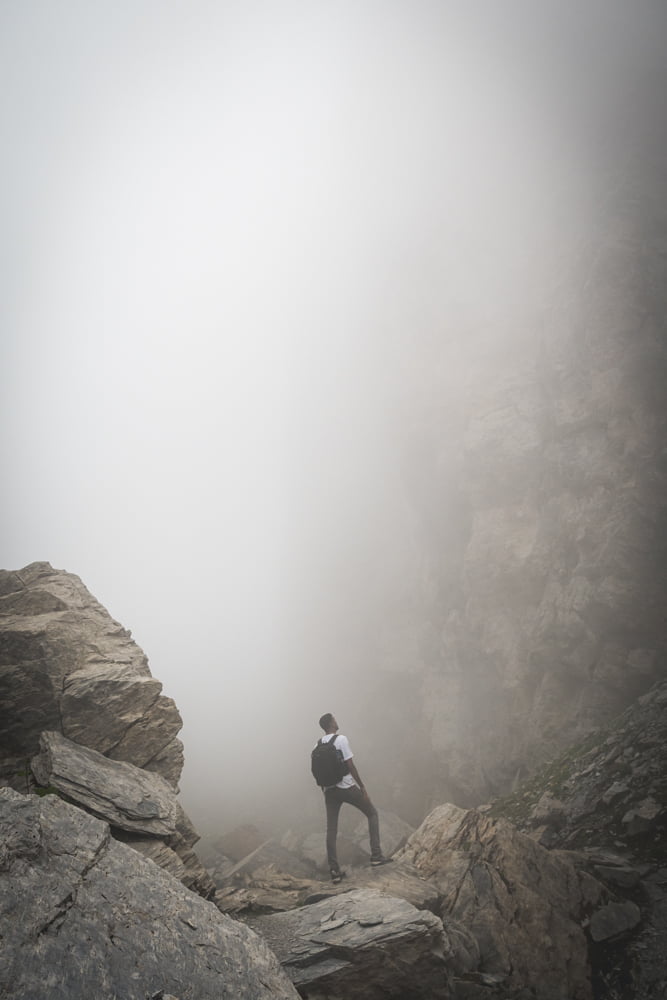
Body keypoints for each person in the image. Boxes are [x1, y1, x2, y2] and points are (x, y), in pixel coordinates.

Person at [315, 712, 391, 883]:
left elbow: (317, 772)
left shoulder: (317, 745)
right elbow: (350, 765)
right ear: (331, 724)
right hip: (346, 787)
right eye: (334, 719)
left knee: (331, 830)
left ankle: (334, 871)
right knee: (372, 813)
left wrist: (326, 790)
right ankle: (377, 856)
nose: (337, 720)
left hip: (329, 791)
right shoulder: (341, 739)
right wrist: (362, 787)